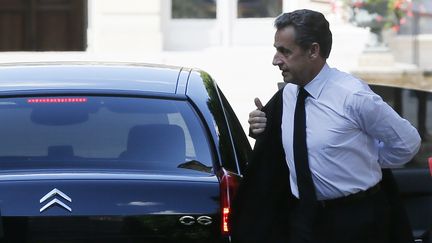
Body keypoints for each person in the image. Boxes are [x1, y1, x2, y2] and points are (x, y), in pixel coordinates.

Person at [230, 9, 421, 243]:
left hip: (355, 221)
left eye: (285, 51)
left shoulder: (353, 96)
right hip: (301, 218)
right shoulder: (287, 94)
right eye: (276, 50)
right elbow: (275, 146)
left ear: (313, 51)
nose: (275, 60)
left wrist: (365, 158)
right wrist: (260, 126)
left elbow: (407, 143)